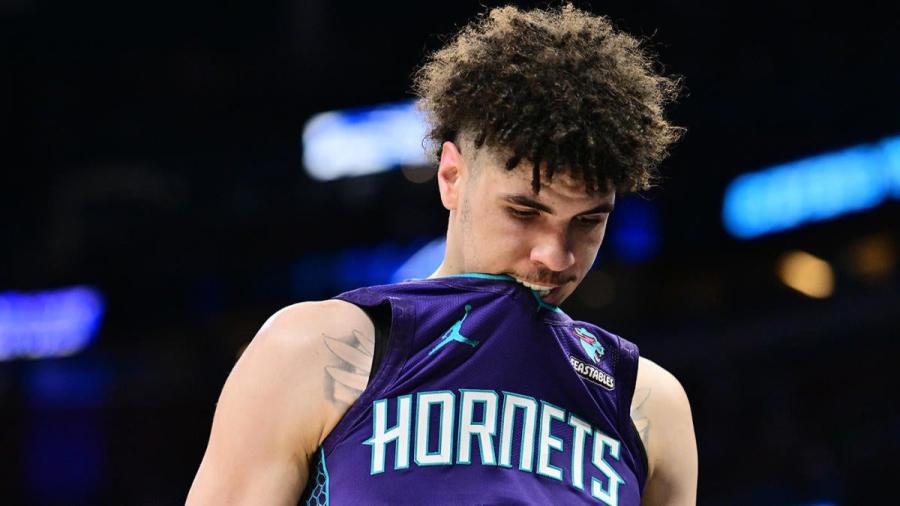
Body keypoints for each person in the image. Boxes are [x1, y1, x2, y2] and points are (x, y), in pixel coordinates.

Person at [187, 4, 697, 505]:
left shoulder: (649, 403)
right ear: (451, 176)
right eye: (524, 212)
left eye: (587, 222)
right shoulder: (311, 348)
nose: (556, 257)